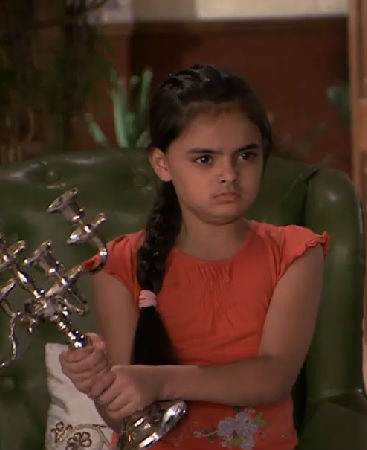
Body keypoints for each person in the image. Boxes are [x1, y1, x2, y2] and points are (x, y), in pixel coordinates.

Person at [58, 64, 328, 450]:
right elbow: (123, 419)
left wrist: (158, 381)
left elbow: (273, 376)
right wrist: (101, 382)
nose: (229, 174)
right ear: (162, 164)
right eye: (205, 159)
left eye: (246, 155)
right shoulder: (119, 263)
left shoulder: (295, 252)